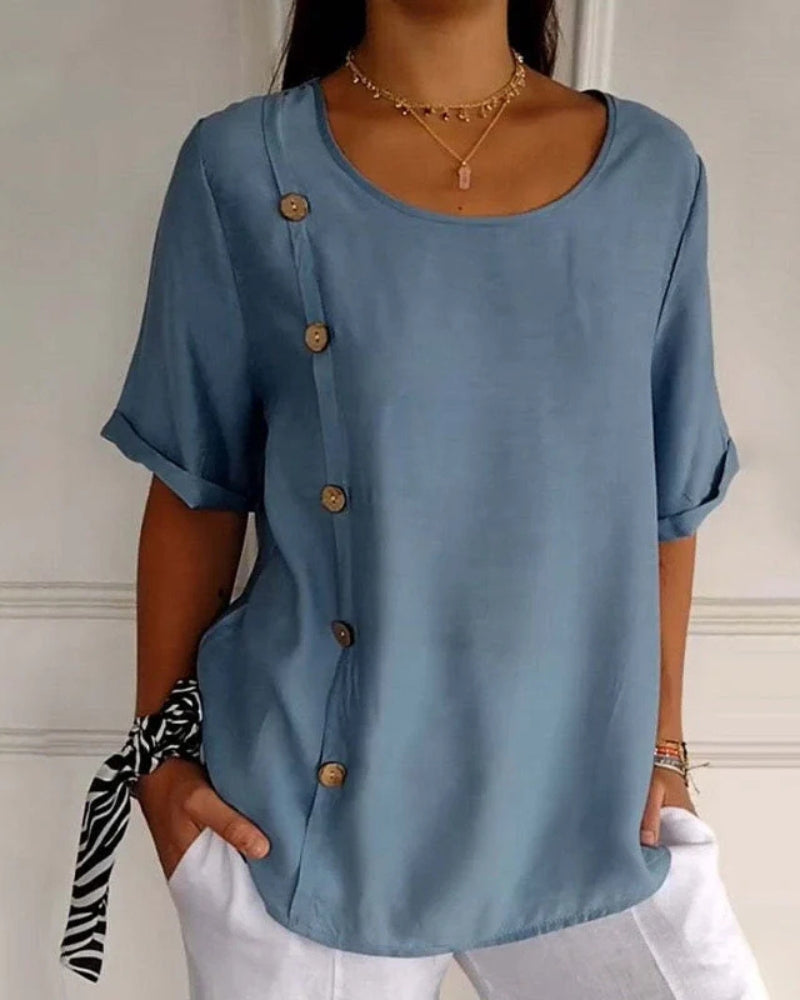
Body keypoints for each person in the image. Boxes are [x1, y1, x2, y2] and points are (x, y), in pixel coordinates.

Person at [60, 1, 770, 997]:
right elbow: (195, 485)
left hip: (593, 805)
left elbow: (666, 499)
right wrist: (159, 762)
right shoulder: (242, 167)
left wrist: (663, 750)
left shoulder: (652, 173)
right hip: (304, 822)